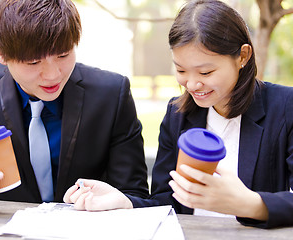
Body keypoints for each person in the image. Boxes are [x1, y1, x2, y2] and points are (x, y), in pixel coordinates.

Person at [64, 0, 293, 229]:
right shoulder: (177, 115)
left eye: (206, 71)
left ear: (242, 56)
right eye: (181, 70)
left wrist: (249, 204)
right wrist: (125, 202)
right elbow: (166, 203)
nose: (192, 84)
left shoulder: (284, 108)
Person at [0, 0, 148, 210]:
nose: (53, 75)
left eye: (63, 55)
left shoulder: (111, 94)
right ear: (0, 53)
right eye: (33, 62)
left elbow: (136, 196)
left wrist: (122, 201)